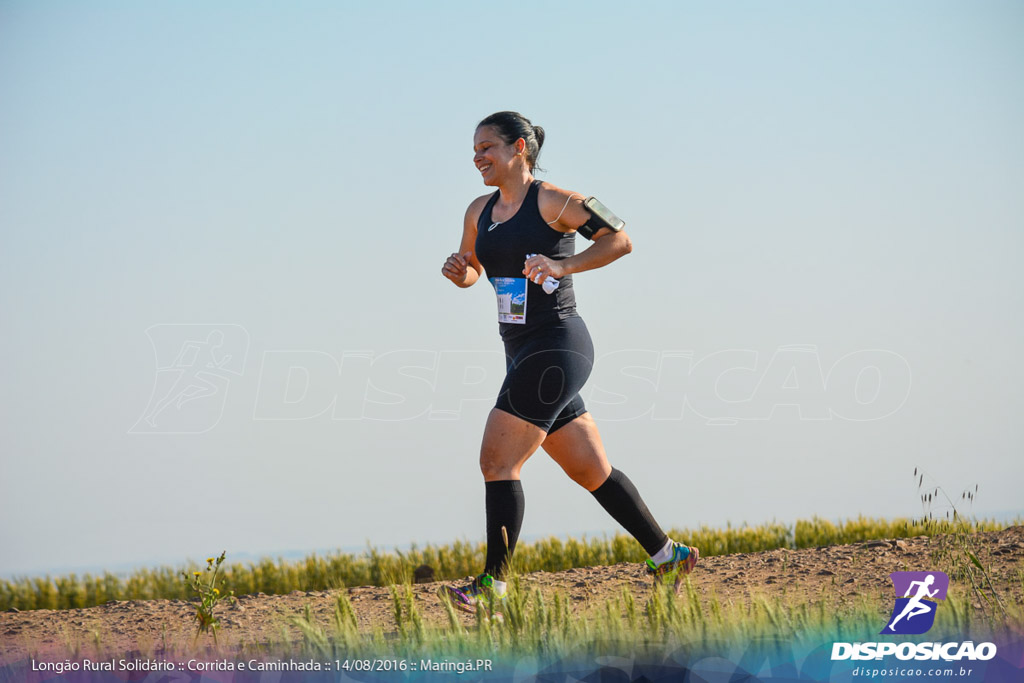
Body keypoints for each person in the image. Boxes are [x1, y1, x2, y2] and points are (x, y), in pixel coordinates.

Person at [439, 111, 697, 611]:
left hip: (559, 345)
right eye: (474, 149)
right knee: (590, 469)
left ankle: (494, 586)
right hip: (520, 351)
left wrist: (564, 263)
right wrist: (460, 273)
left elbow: (619, 238)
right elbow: (473, 268)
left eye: (486, 147)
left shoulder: (556, 201)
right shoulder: (479, 210)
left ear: (519, 148)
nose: (477, 157)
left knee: (498, 459)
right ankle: (668, 555)